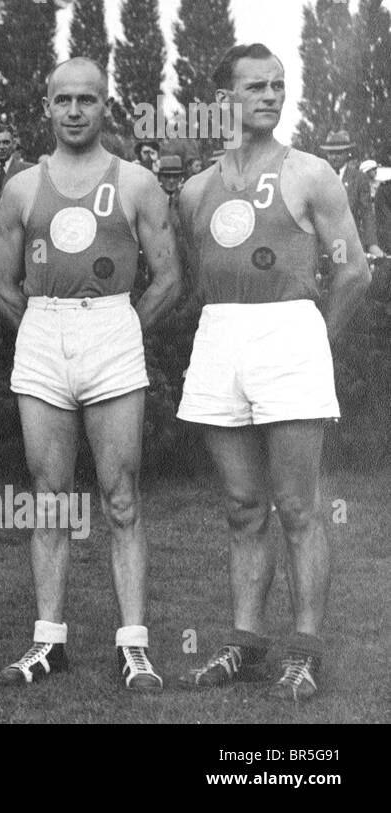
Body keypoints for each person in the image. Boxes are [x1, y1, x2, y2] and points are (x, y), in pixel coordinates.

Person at [176, 44, 370, 702]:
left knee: (298, 506)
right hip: (221, 336)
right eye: (255, 85)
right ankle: (246, 644)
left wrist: (314, 337)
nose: (270, 95)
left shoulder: (310, 173)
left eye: (278, 85)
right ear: (221, 100)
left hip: (290, 333)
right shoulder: (196, 190)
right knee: (241, 506)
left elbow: (353, 270)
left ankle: (305, 650)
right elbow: (197, 278)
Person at [0, 57, 181, 692]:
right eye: (63, 99)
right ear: (46, 107)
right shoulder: (21, 186)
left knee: (120, 494)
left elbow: (168, 279)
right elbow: (1, 288)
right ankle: (49, 642)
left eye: (88, 100)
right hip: (44, 331)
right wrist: (49, 335)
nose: (75, 111)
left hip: (112, 331)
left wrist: (119, 331)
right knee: (48, 497)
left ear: (106, 107)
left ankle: (134, 645)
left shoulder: (137, 183)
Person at [319, 130, 376, 250]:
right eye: (330, 153)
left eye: (338, 153)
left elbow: (367, 214)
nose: (334, 157)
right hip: (323, 244)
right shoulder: (319, 177)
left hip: (350, 243)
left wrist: (372, 244)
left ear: (347, 153)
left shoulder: (359, 178)